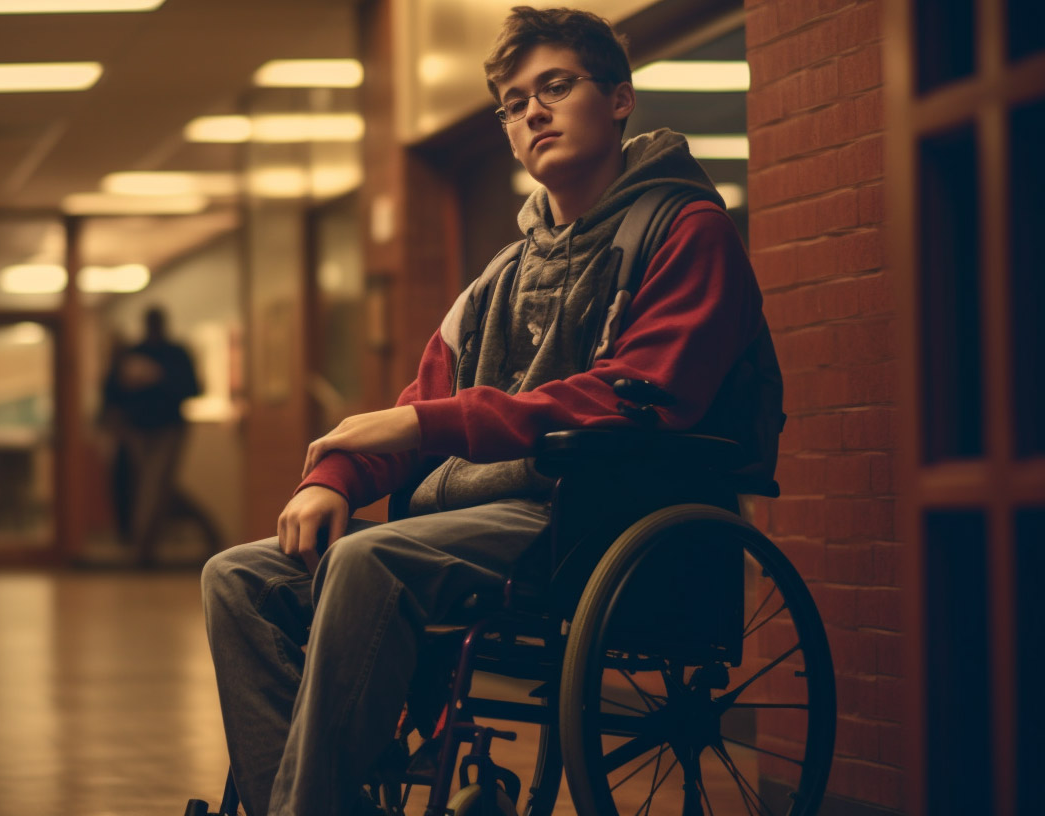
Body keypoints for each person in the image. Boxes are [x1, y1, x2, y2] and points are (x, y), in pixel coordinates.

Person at [200, 6, 782, 815]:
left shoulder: (689, 232)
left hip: (593, 516)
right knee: (239, 577)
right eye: (513, 103)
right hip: (469, 520)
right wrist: (332, 479)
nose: (531, 112)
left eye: (555, 87)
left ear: (619, 99)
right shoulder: (502, 275)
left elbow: (636, 394)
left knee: (373, 561)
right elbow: (422, 405)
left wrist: (426, 425)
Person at [101, 306, 203, 567]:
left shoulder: (175, 354)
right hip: (136, 430)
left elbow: (193, 388)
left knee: (154, 485)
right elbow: (111, 392)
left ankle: (142, 550)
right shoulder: (133, 353)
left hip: (168, 429)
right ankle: (144, 547)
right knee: (147, 487)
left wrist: (158, 378)